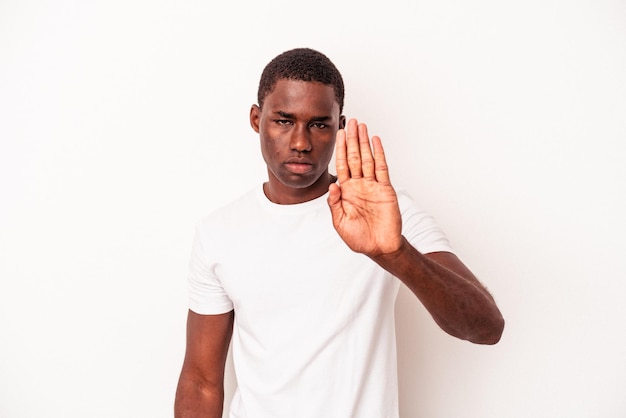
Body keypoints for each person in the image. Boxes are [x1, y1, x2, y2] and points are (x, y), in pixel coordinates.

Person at [174, 47, 504, 418]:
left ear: (340, 126)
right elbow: (200, 380)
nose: (301, 142)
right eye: (284, 120)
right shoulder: (218, 232)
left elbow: (486, 327)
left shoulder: (388, 216)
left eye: (319, 124)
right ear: (256, 119)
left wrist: (394, 254)